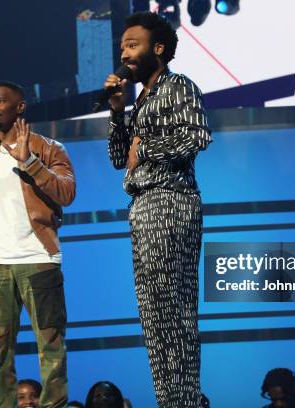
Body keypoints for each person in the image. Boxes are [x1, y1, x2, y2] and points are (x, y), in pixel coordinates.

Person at [104, 11, 211, 408]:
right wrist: (117, 112)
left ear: (158, 49)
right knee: (154, 315)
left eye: (133, 45)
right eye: (122, 48)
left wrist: (145, 148)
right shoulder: (140, 101)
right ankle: (170, 399)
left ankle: (184, 400)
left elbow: (198, 135)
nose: (125, 53)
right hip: (143, 206)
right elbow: (120, 158)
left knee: (174, 310)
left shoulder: (177, 86)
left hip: (171, 200)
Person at [0, 80, 76, 408]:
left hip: (38, 259)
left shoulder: (49, 148)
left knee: (51, 347)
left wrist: (30, 163)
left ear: (19, 107)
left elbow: (67, 192)